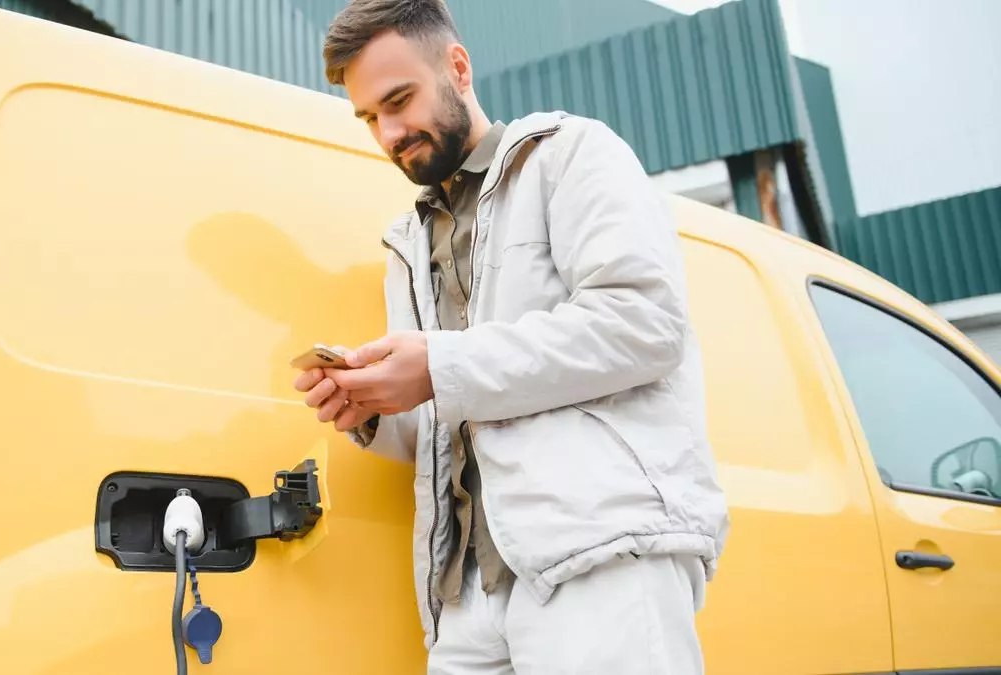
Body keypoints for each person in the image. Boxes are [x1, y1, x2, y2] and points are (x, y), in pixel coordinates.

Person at [295, 1, 730, 672]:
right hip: (464, 598)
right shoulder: (408, 243)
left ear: (458, 67)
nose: (388, 132)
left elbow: (646, 325)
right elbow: (453, 412)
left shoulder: (573, 154)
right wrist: (374, 409)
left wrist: (437, 367)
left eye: (399, 100)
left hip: (600, 558)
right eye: (369, 117)